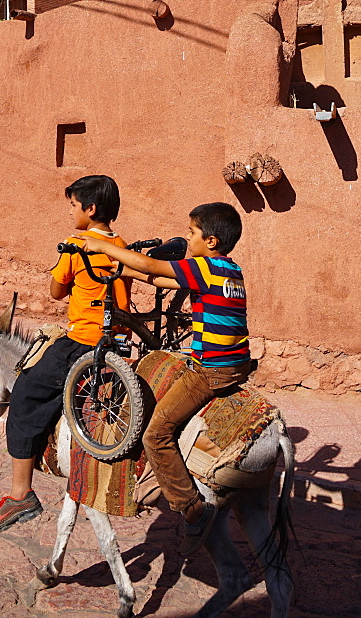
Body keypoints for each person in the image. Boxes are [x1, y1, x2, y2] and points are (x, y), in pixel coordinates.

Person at [77, 201, 250, 555]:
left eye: (191, 233)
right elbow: (155, 275)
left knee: (156, 433)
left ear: (211, 241)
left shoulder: (205, 267)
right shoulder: (229, 270)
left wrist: (106, 247)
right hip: (238, 361)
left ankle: (192, 511)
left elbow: (152, 265)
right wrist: (122, 268)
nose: (187, 238)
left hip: (211, 370)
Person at [0, 174, 130, 533]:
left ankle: (20, 494)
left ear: (90, 209)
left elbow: (56, 291)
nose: (72, 213)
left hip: (83, 340)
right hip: (115, 338)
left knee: (27, 392)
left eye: (74, 206)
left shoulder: (75, 245)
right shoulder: (120, 244)